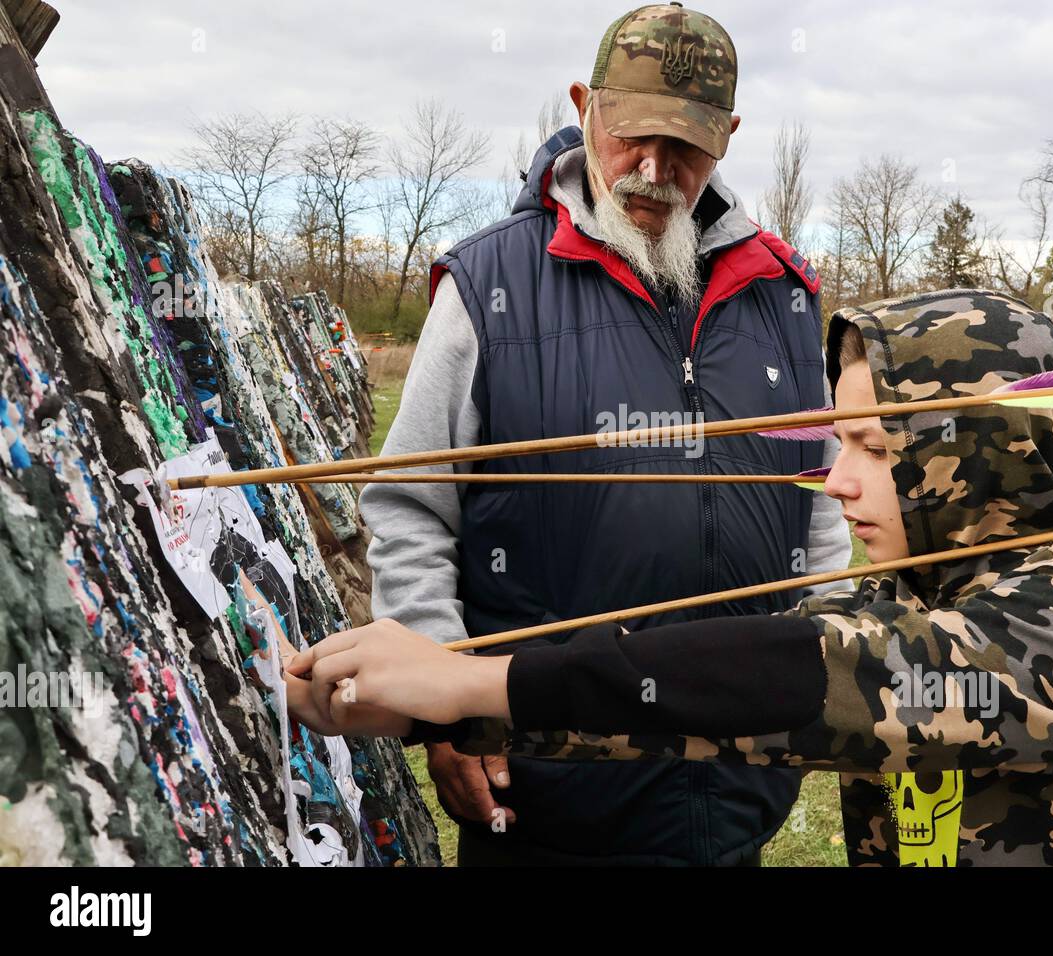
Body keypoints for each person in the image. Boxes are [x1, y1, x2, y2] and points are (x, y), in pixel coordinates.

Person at [290, 290, 1053, 867]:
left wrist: (468, 681)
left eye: (874, 447)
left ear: (971, 457)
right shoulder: (906, 594)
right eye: (836, 440)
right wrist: (433, 712)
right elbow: (689, 700)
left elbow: (799, 676)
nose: (836, 480)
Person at [357, 2, 850, 865]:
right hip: (547, 780)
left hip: (737, 779)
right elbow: (410, 509)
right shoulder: (486, 283)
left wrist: (816, 686)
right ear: (585, 105)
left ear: (729, 136)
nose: (653, 168)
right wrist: (447, 711)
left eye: (687, 145)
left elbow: (821, 515)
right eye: (630, 135)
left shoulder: (784, 295)